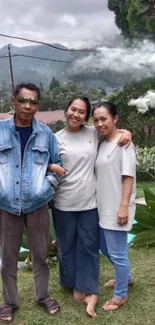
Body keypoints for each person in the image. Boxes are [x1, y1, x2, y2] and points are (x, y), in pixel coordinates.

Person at [48, 96, 131, 317]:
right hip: (63, 203)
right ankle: (70, 281)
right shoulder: (55, 138)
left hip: (89, 203)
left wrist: (126, 133)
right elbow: (42, 160)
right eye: (73, 109)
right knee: (66, 247)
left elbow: (112, 131)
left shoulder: (93, 133)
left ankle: (86, 286)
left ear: (86, 116)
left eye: (82, 112)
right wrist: (52, 166)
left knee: (88, 247)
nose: (76, 114)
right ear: (66, 111)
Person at [0, 83, 61, 323]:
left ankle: (43, 296)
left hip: (37, 205)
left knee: (40, 254)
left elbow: (57, 165)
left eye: (33, 101)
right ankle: (9, 302)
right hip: (6, 205)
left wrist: (46, 186)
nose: (28, 106)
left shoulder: (46, 134)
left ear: (38, 105)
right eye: (23, 100)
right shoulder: (1, 130)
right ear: (13, 100)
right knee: (7, 257)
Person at [93, 101, 136, 311]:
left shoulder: (123, 142)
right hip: (102, 207)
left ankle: (120, 295)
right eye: (96, 120)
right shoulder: (103, 142)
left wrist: (124, 206)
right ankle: (125, 277)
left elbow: (128, 176)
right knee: (104, 246)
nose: (100, 123)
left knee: (118, 253)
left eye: (104, 119)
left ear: (115, 119)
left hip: (117, 207)